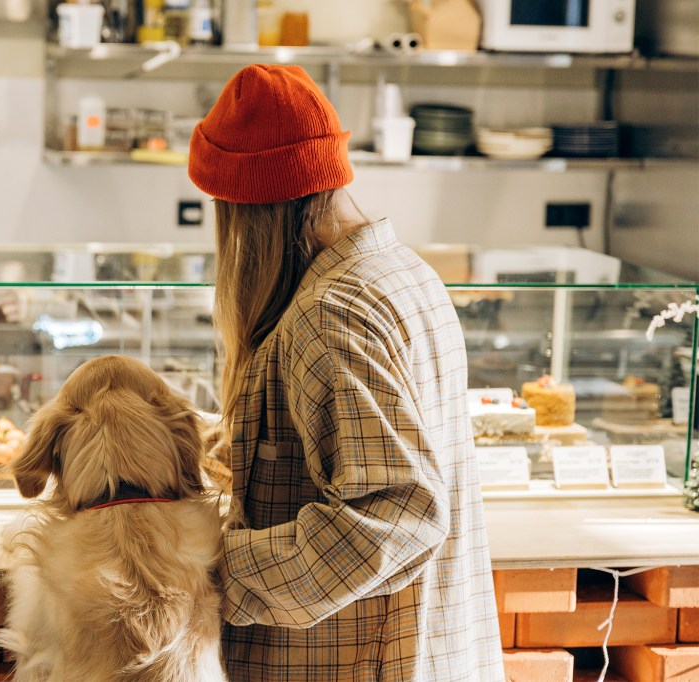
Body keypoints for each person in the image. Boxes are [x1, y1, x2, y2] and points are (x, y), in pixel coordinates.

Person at [188, 64, 505, 681]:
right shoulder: (404, 271)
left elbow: (399, 515)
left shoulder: (330, 313)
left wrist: (213, 564)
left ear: (246, 214)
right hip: (434, 649)